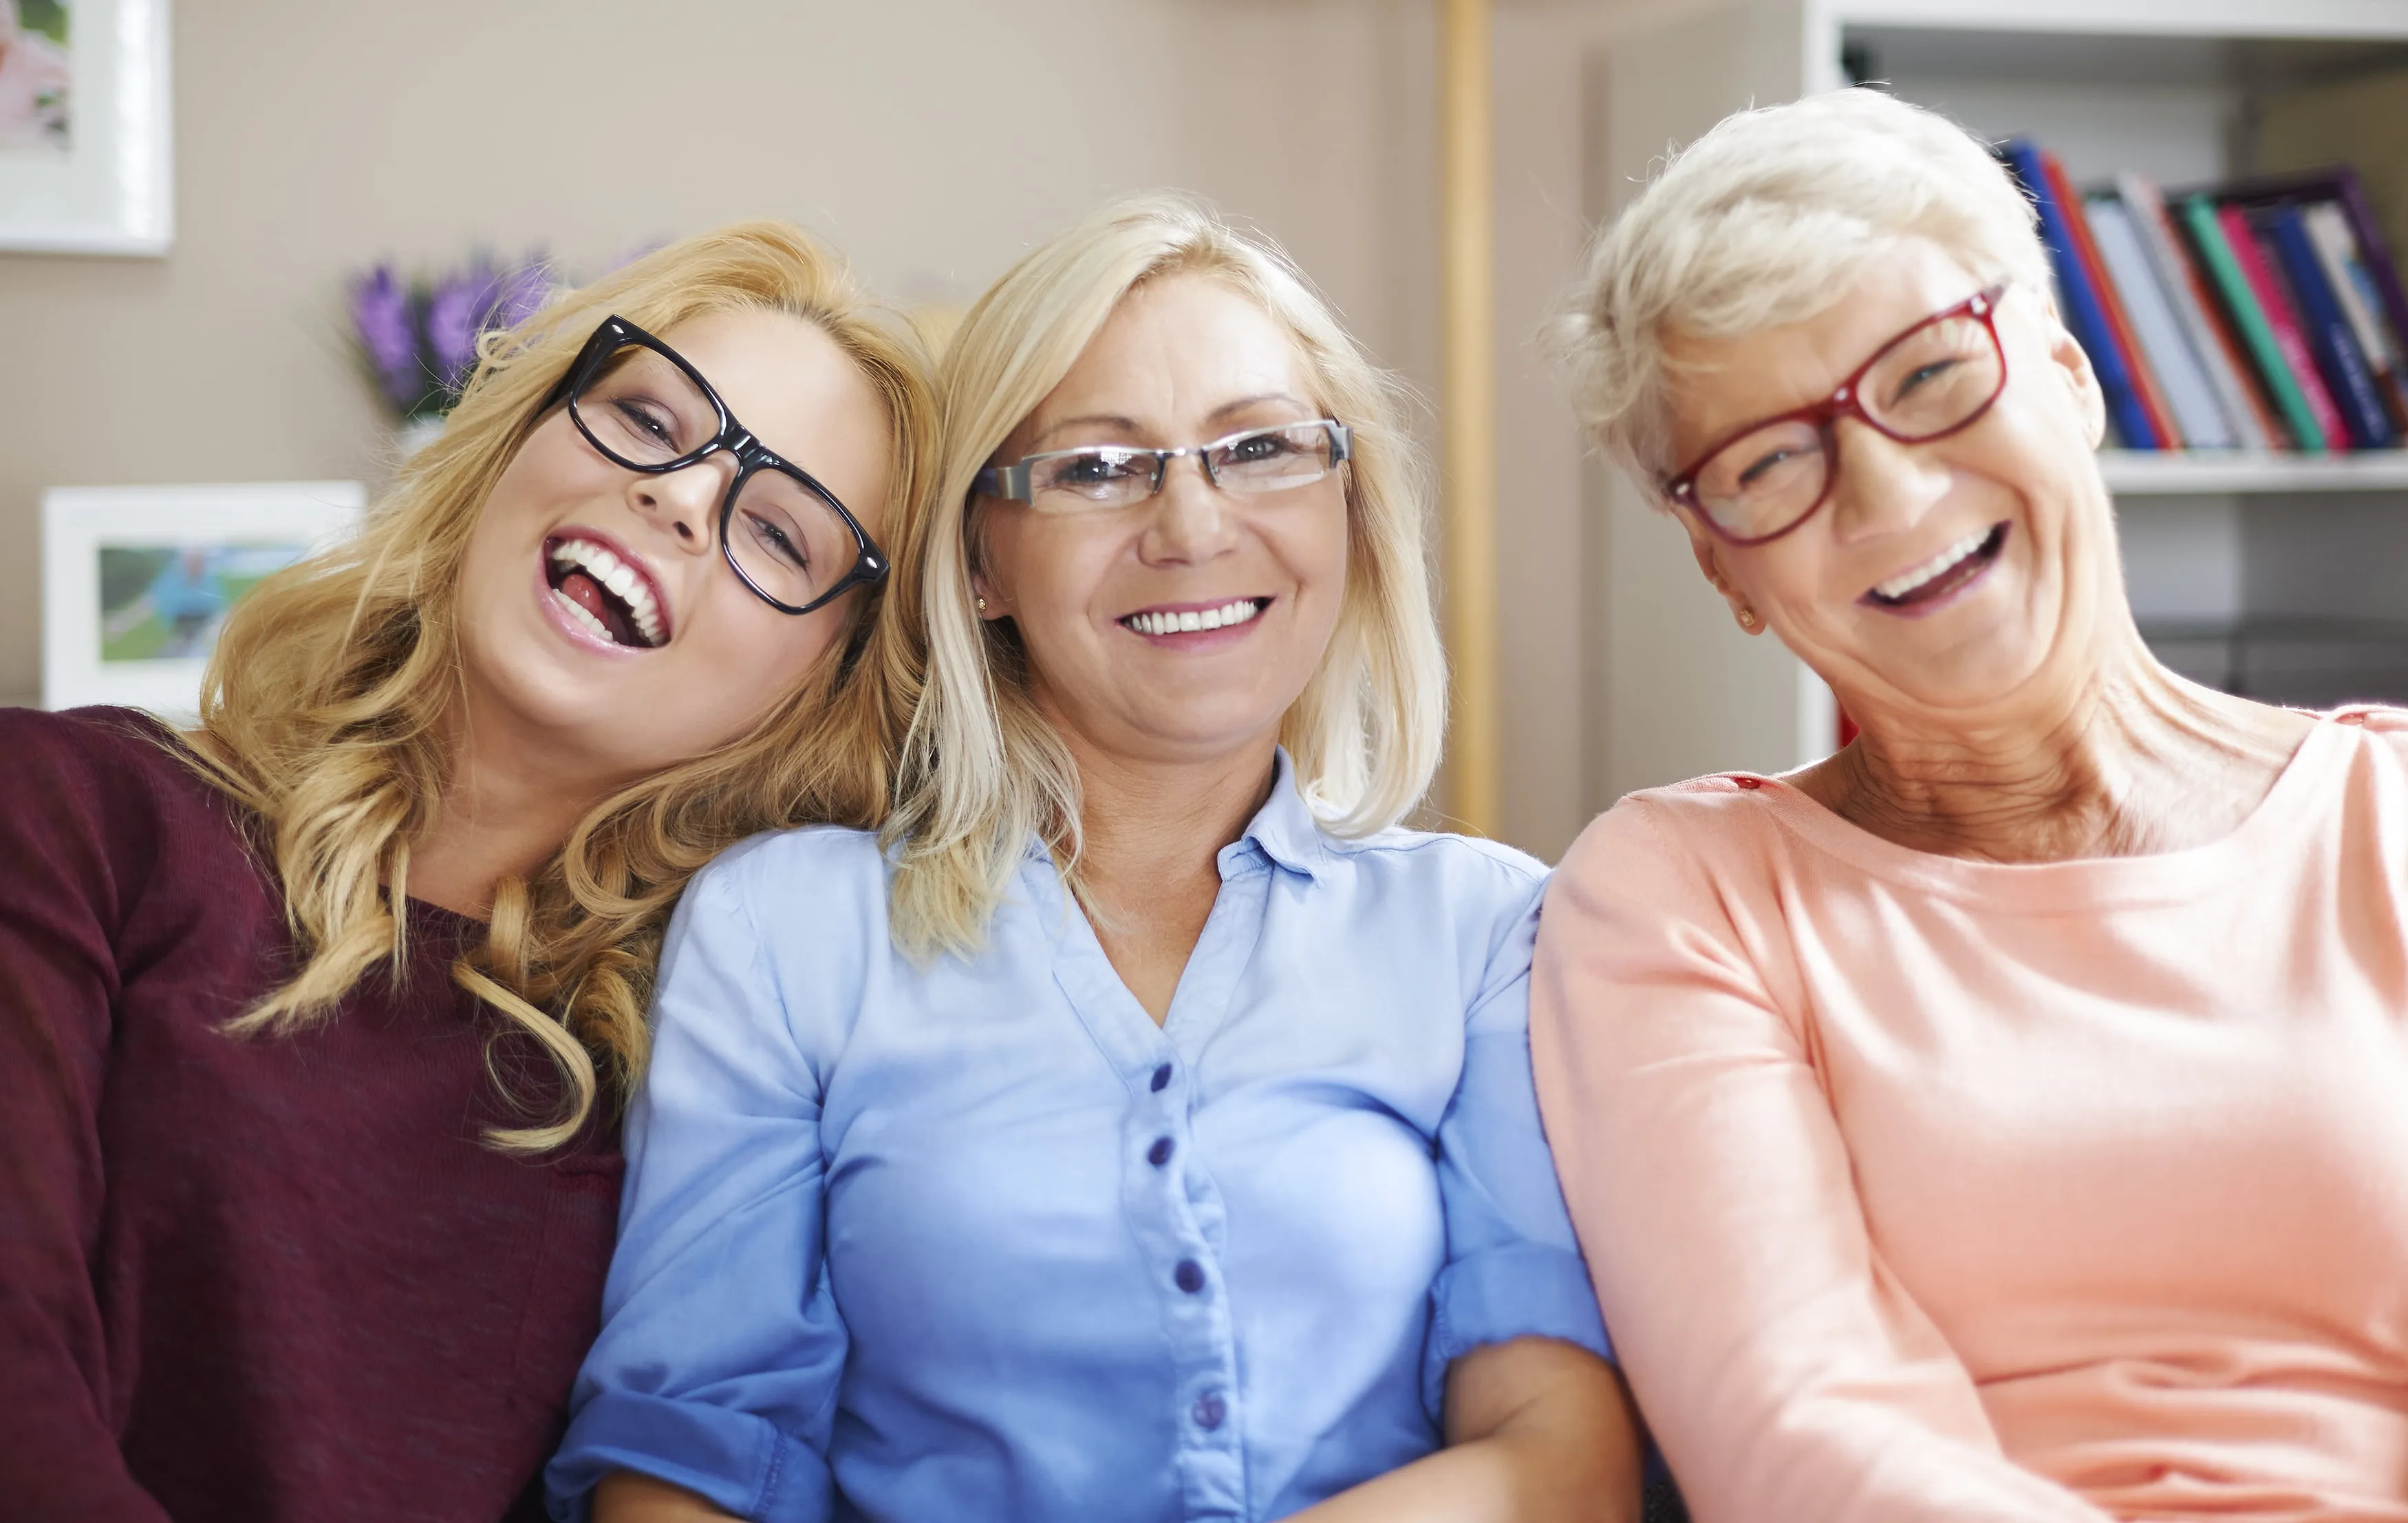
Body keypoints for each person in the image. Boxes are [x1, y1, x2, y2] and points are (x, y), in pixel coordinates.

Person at [550, 194, 1639, 1523]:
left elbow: (1558, 1460)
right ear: (983, 562)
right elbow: (684, 1464)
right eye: (1095, 468)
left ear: (1348, 515)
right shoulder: (786, 931)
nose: (1191, 527)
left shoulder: (1487, 930)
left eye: (1259, 449)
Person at [1531, 85, 2408, 1523]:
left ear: (2069, 376)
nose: (1883, 491)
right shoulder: (1678, 894)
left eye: (1929, 373)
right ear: (1723, 574)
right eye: (1766, 461)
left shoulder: (2386, 813)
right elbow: (1794, 1433)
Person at [0, 220, 938, 1522]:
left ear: (818, 695)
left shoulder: (712, 1101)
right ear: (510, 447)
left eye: (779, 534)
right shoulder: (71, 817)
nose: (679, 494)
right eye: (651, 419)